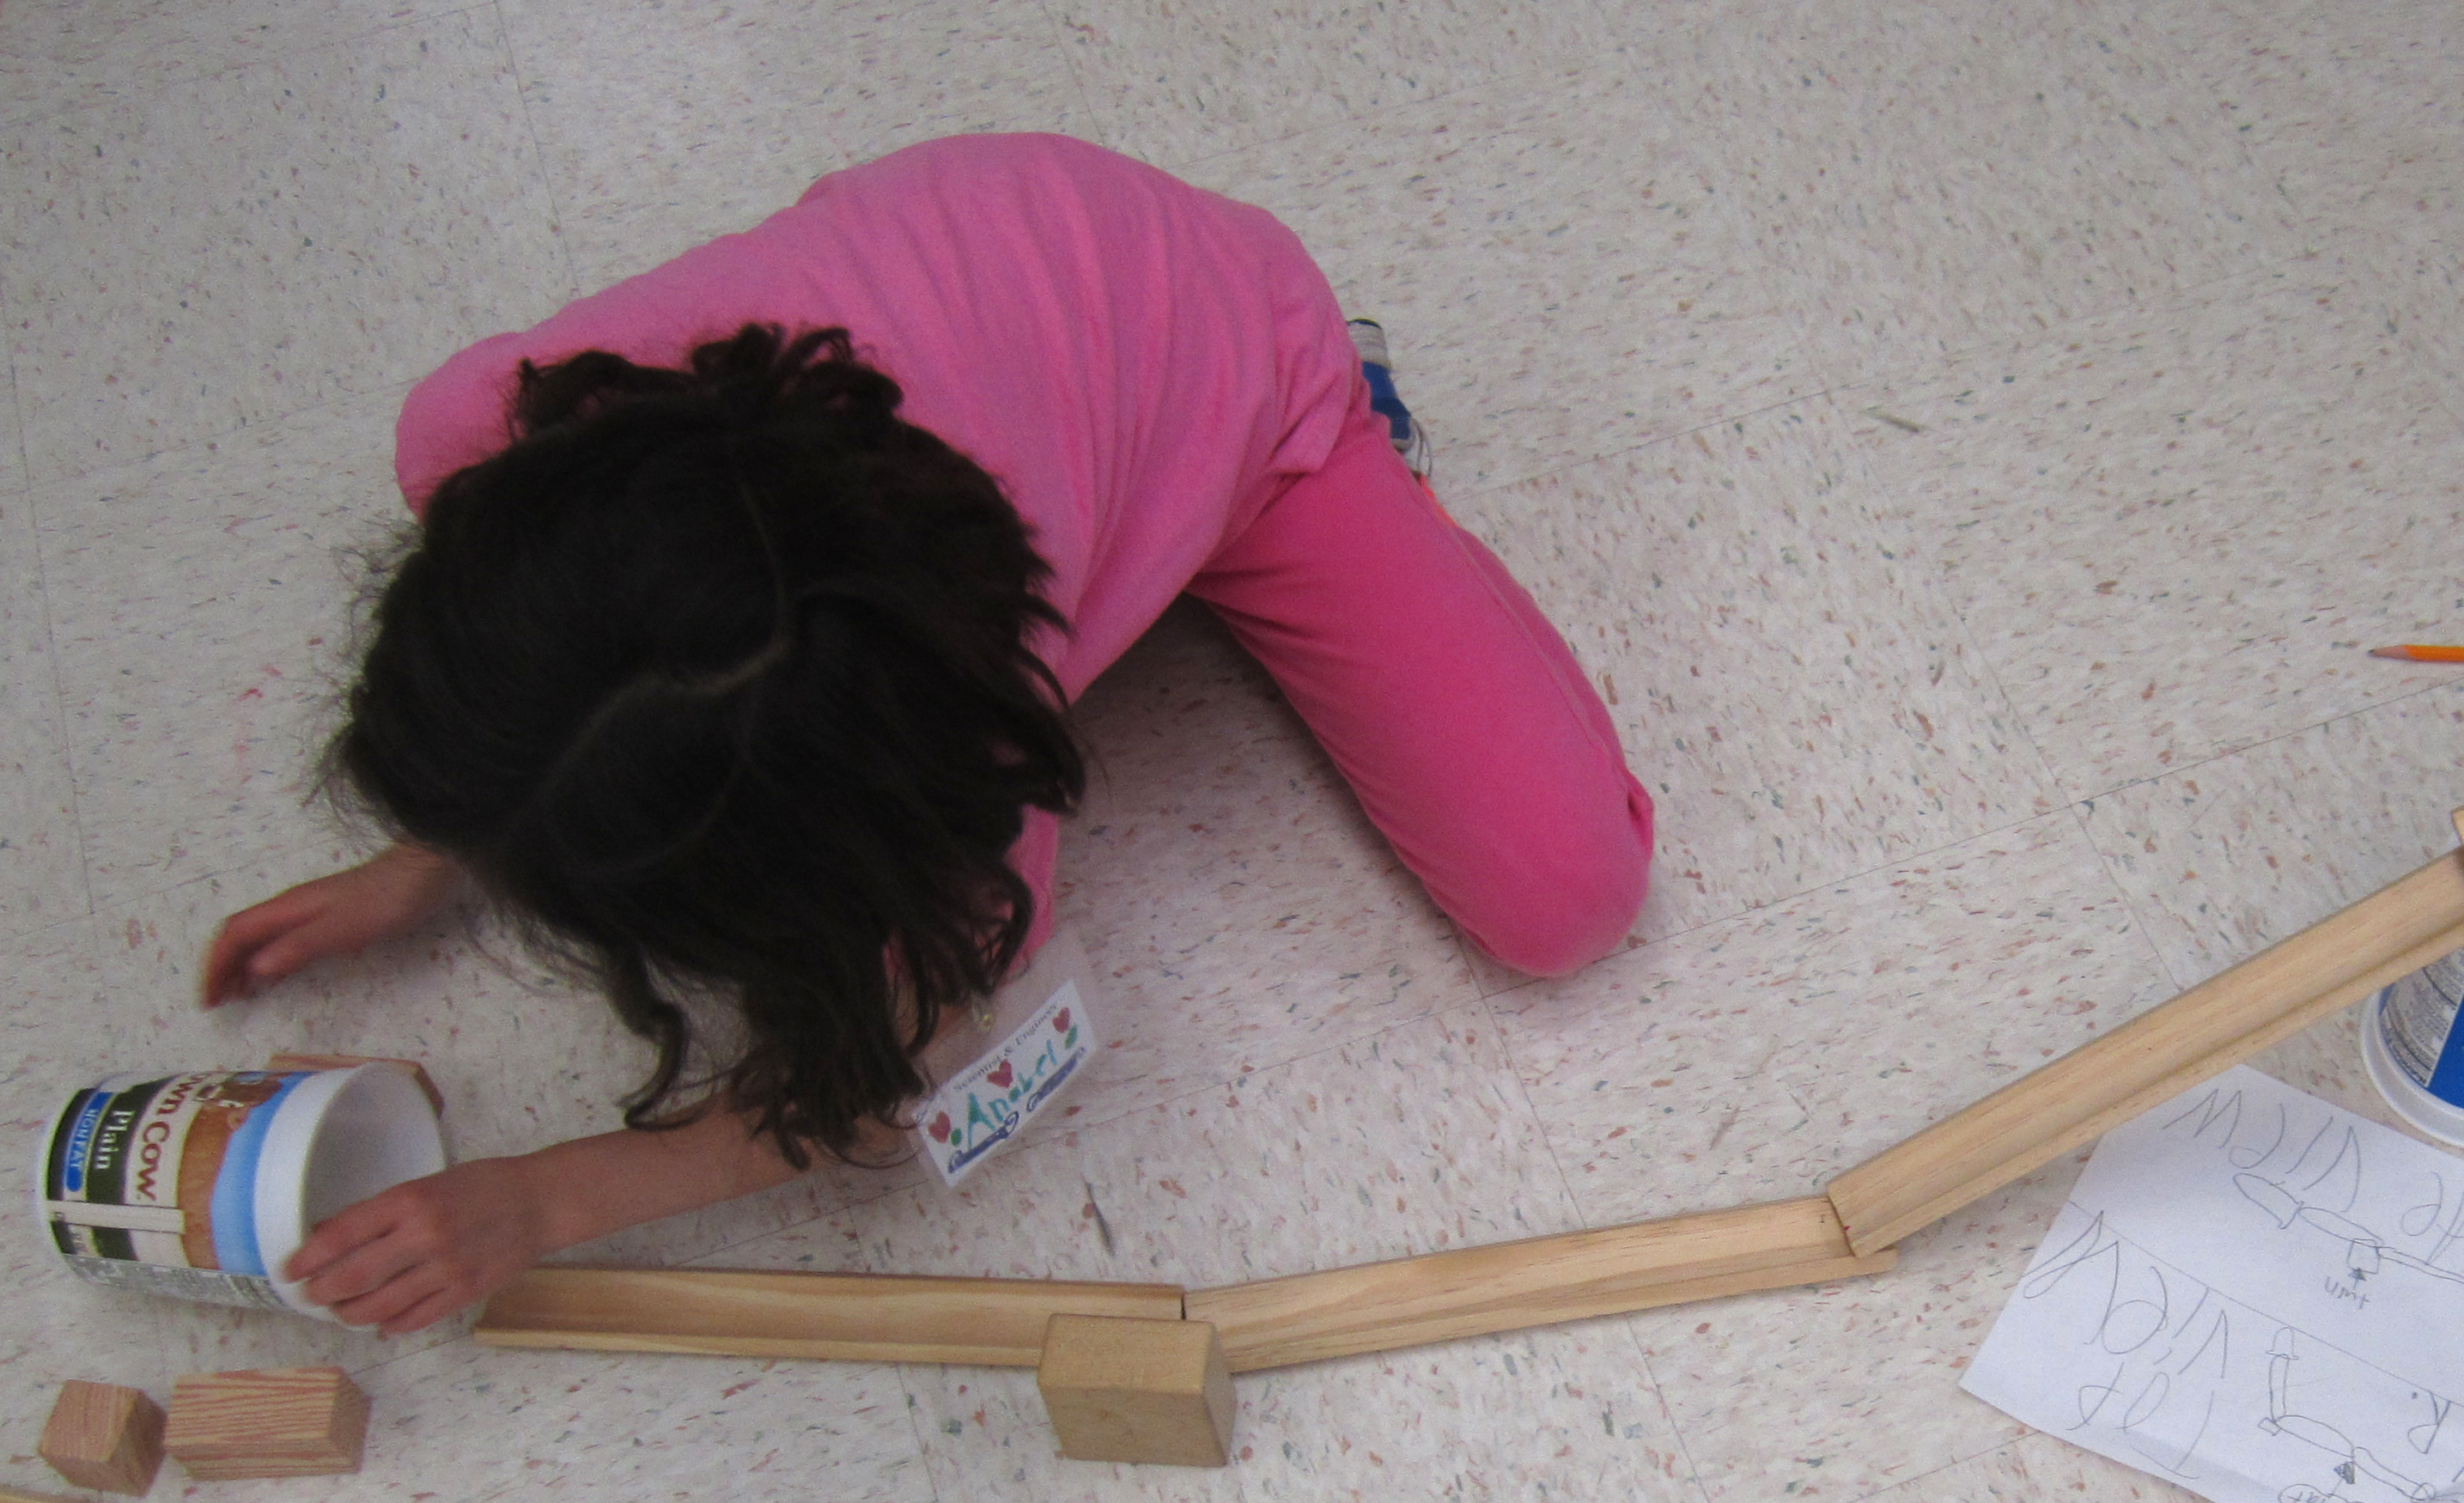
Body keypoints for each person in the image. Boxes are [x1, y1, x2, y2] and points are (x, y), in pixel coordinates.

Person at [200, 134, 1655, 1336]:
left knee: (1567, 894)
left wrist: (547, 1200)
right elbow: (571, 656)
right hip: (977, 259)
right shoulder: (481, 436)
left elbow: (886, 1087)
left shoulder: (960, 774)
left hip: (1235, 364)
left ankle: (1357, 423)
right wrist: (442, 835)